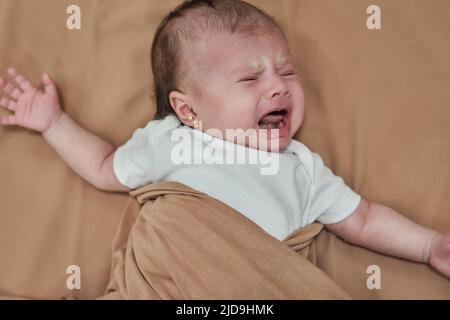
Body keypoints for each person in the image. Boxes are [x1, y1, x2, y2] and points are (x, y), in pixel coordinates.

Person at [0, 0, 448, 278]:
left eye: (287, 71)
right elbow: (104, 167)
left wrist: (428, 246)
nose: (279, 86)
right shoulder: (171, 141)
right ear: (188, 110)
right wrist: (54, 123)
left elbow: (364, 220)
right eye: (250, 79)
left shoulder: (301, 167)